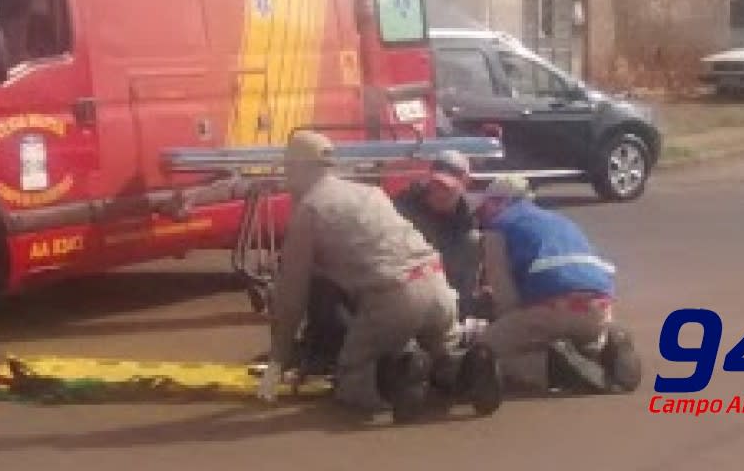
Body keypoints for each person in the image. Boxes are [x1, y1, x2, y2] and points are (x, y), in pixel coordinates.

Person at [257, 131, 471, 420]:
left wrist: (278, 361)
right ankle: (461, 372)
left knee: (353, 374)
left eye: (288, 168)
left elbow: (292, 297)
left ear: (298, 167)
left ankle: (397, 380)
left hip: (395, 296)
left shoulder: (310, 210)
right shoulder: (369, 192)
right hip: (436, 283)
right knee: (443, 347)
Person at [474, 175, 638, 394]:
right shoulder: (562, 221)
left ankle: (552, 369)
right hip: (599, 308)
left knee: (484, 353)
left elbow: (504, 293)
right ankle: (606, 347)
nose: (483, 212)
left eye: (486, 205)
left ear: (499, 202)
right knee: (577, 339)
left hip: (553, 310)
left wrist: (501, 322)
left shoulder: (499, 228)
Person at [394, 150, 481, 319]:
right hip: (408, 287)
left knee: (473, 241)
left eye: (447, 187)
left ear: (465, 183)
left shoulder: (467, 219)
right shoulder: (404, 206)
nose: (439, 192)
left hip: (445, 286)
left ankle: (460, 314)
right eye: (436, 184)